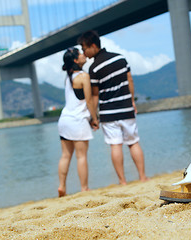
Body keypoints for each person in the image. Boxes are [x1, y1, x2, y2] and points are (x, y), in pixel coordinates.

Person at [77, 30, 149, 185]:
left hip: (108, 113)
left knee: (115, 146)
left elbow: (95, 95)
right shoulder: (120, 59)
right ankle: (143, 177)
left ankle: (122, 181)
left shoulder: (94, 68)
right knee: (133, 143)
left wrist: (94, 116)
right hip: (126, 108)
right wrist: (132, 101)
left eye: (84, 48)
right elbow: (130, 81)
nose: (83, 52)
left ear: (93, 46)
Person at [57, 47, 99, 197]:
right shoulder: (83, 76)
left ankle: (62, 186)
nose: (83, 55)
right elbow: (88, 100)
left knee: (65, 155)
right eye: (80, 54)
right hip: (78, 120)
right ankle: (84, 188)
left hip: (64, 120)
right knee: (81, 156)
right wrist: (94, 118)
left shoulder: (68, 77)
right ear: (76, 60)